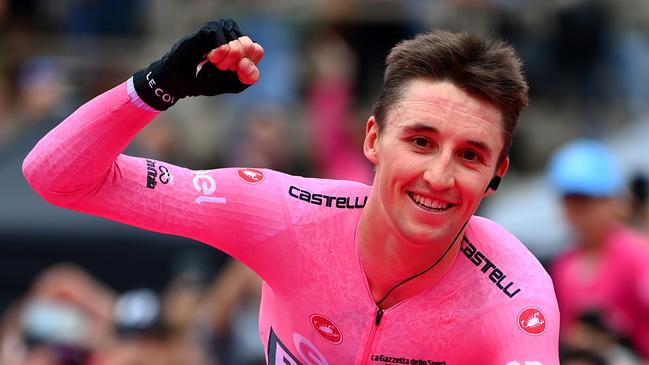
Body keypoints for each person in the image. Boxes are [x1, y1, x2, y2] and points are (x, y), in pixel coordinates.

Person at [23, 18, 559, 364]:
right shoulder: (283, 214)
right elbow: (56, 176)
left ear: (497, 175)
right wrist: (159, 85)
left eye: (470, 155)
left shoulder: (512, 298)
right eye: (421, 141)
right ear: (372, 139)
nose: (439, 177)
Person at [548, 139, 649, 361]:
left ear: (611, 201)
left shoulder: (636, 255)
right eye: (571, 202)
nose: (579, 212)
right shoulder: (564, 265)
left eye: (587, 202)